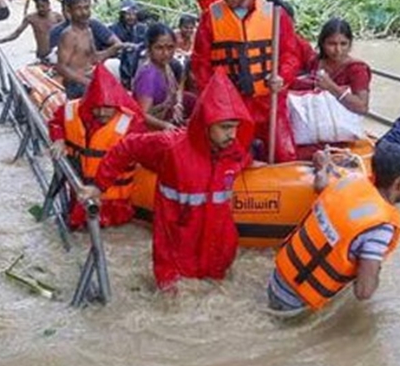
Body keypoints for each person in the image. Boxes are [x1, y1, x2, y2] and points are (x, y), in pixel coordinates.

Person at [81, 75, 256, 290]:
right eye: (226, 127)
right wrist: (99, 186)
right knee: (173, 306)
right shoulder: (170, 147)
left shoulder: (233, 152)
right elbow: (127, 147)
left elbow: (245, 161)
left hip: (217, 252)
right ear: (206, 123)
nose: (232, 134)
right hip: (175, 252)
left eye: (235, 127)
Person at [266, 141, 400, 314]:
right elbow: (364, 292)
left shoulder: (350, 181)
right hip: (294, 304)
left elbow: (320, 185)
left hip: (277, 278)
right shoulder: (381, 228)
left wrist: (323, 167)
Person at [191, 0, 300, 163]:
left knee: (284, 155)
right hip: (231, 107)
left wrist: (282, 77)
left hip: (270, 103)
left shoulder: (275, 13)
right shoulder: (210, 18)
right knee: (232, 159)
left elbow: (291, 55)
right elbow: (200, 64)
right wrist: (213, 100)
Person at [48, 64, 147, 228]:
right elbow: (56, 123)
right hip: (80, 193)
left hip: (115, 202)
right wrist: (58, 139)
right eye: (97, 107)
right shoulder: (72, 110)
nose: (102, 113)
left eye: (108, 108)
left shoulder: (132, 123)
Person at [291, 17, 371, 115]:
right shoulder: (314, 62)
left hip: (342, 126)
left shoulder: (357, 69)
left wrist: (331, 87)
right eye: (332, 44)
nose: (338, 50)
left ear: (350, 44)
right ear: (322, 43)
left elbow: (362, 108)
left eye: (343, 44)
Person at [56, 0, 125, 99]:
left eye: (86, 7)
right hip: (76, 86)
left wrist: (114, 49)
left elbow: (93, 58)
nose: (84, 12)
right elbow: (61, 67)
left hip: (90, 78)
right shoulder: (69, 35)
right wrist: (86, 82)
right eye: (79, 8)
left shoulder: (88, 31)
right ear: (69, 10)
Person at [131, 23, 197, 131]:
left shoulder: (166, 66)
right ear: (149, 48)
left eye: (170, 47)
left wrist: (178, 103)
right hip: (147, 133)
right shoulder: (149, 74)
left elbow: (179, 86)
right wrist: (166, 126)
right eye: (159, 48)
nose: (166, 53)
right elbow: (142, 115)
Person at [0, 0, 65, 62]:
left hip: (55, 56)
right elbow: (17, 33)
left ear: (48, 4)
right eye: (38, 6)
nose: (40, 9)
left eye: (43, 6)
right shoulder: (31, 18)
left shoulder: (57, 17)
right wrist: (2, 40)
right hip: (40, 55)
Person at [108, 0, 148, 87]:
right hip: (119, 60)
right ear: (122, 15)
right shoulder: (114, 28)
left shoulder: (143, 28)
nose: (131, 17)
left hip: (139, 59)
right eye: (128, 14)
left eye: (133, 14)